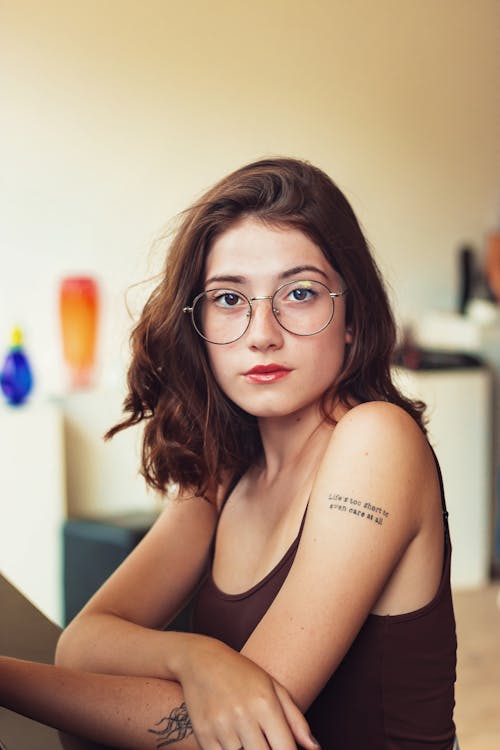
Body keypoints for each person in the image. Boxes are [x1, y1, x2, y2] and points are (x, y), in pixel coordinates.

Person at [0, 157, 457, 748]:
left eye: (299, 293)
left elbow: (229, 739)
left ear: (351, 317)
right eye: (229, 299)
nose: (262, 331)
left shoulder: (377, 441)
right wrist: (199, 659)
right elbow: (82, 643)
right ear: (200, 325)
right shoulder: (223, 469)